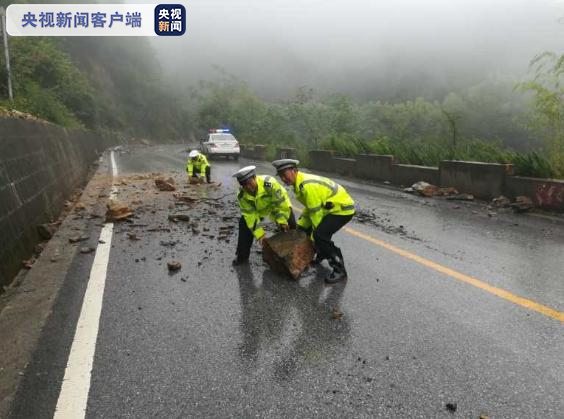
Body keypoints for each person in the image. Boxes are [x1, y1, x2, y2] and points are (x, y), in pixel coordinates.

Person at [272, 159, 355, 284]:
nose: (283, 179)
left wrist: (313, 239)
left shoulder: (306, 186)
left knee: (320, 235)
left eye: (285, 174)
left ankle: (339, 269)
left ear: (295, 171)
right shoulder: (299, 184)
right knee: (306, 230)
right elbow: (310, 209)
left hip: (341, 209)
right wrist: (301, 226)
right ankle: (320, 254)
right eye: (281, 176)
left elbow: (316, 215)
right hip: (328, 209)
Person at [232, 165, 296, 265]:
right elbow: (250, 216)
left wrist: (282, 222)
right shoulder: (241, 195)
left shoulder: (269, 183)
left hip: (278, 206)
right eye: (244, 185)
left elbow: (280, 206)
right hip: (260, 210)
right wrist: (260, 235)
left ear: (254, 177)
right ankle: (242, 256)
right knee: (244, 224)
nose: (248, 187)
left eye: (249, 183)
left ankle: (293, 255)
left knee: (290, 224)